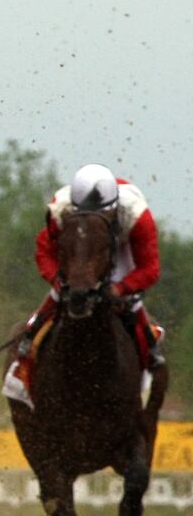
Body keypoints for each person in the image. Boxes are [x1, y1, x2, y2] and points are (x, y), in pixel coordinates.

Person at [15, 163, 162, 382]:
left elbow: (150, 269)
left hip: (119, 248)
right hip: (80, 247)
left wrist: (120, 288)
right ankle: (26, 349)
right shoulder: (60, 211)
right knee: (60, 294)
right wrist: (57, 281)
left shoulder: (136, 217)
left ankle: (152, 354)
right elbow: (45, 252)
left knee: (132, 302)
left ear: (113, 210)